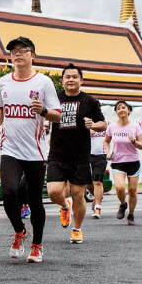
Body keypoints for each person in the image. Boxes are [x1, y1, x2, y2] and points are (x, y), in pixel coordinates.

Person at [0, 36, 61, 263]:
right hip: (10, 148)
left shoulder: (43, 83)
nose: (18, 54)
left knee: (33, 199)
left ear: (33, 55)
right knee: (9, 192)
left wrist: (43, 111)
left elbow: (57, 115)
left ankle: (37, 244)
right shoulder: (3, 82)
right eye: (14, 51)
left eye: (23, 50)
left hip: (35, 151)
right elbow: (1, 108)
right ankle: (19, 231)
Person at [47, 63, 106, 243]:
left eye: (75, 77)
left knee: (78, 194)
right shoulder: (54, 99)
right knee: (53, 192)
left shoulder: (90, 101)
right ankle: (65, 206)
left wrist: (93, 125)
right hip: (57, 153)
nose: (71, 79)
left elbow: (103, 124)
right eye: (68, 77)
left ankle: (77, 229)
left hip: (80, 155)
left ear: (81, 80)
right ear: (62, 80)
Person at [104, 101, 142, 225]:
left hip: (133, 161)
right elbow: (106, 141)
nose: (121, 110)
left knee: (132, 190)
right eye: (118, 108)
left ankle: (131, 214)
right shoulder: (111, 127)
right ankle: (123, 204)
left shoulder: (135, 126)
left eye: (123, 107)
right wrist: (108, 152)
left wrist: (134, 142)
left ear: (129, 110)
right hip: (118, 161)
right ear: (116, 112)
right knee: (120, 187)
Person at [89, 116, 109, 219]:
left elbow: (110, 137)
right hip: (86, 154)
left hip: (101, 155)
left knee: (97, 181)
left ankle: (97, 208)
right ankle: (97, 197)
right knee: (87, 183)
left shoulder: (105, 121)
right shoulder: (85, 121)